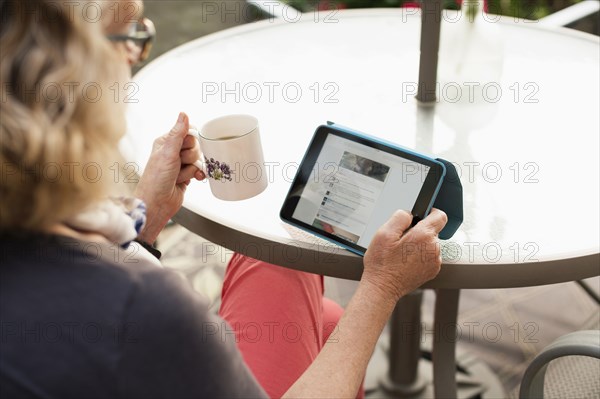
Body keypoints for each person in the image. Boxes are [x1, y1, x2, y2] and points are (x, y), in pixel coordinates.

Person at [0, 0, 448, 398]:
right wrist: (381, 287)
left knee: (324, 314)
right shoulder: (141, 307)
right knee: (289, 269)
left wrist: (145, 223)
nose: (133, 59)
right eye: (128, 37)